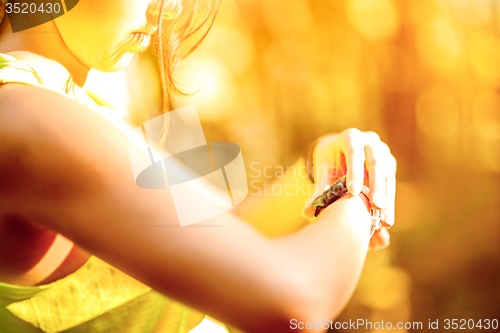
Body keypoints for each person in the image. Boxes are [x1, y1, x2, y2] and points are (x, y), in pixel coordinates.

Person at [0, 0, 397, 332]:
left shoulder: (68, 106)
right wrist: (357, 198)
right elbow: (296, 299)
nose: (169, 8)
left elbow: (224, 228)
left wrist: (321, 167)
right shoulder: (29, 117)